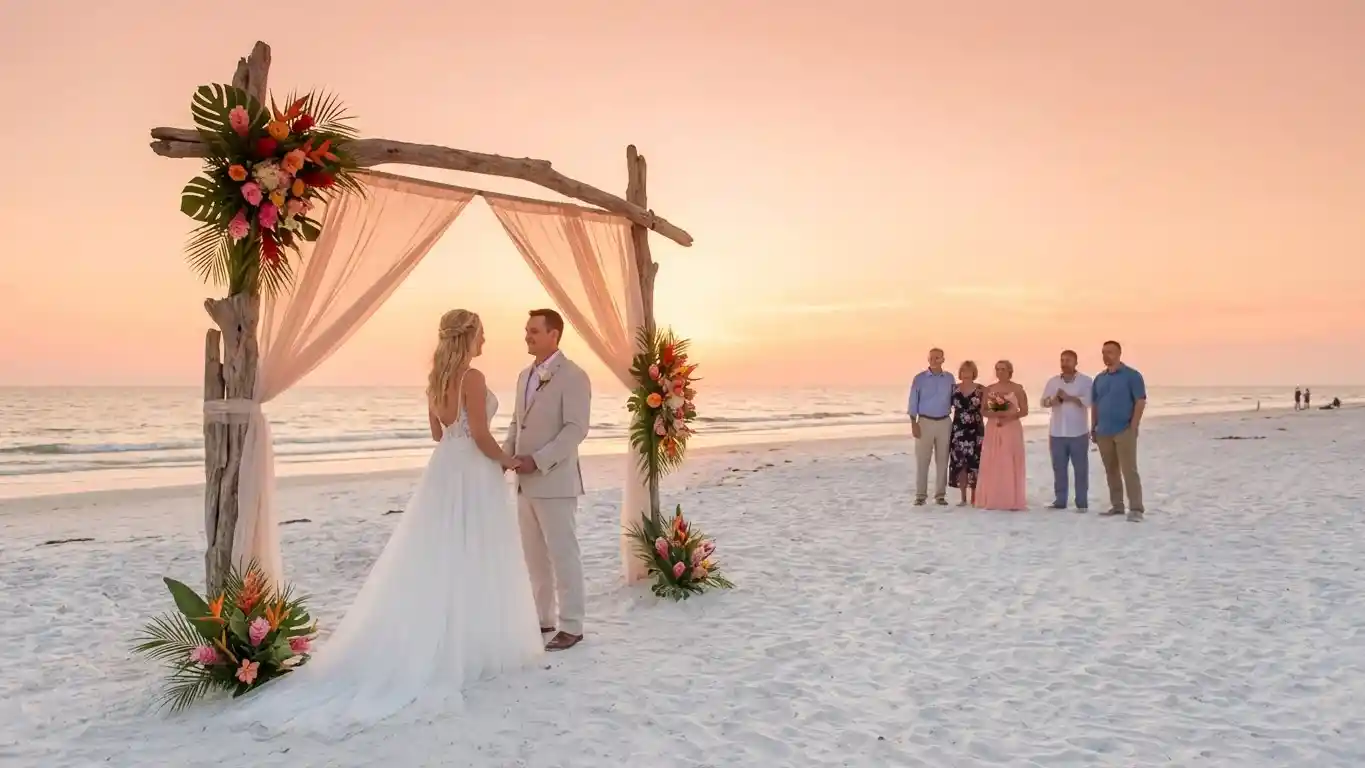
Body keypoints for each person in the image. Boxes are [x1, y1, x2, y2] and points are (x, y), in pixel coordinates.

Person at [229, 310, 543, 736]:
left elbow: (439, 433)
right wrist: (507, 460)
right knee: (476, 551)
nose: (486, 341)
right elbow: (483, 437)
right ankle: (468, 645)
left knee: (442, 553)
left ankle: (451, 638)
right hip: (472, 471)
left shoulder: (436, 378)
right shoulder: (472, 377)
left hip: (445, 469)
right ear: (470, 337)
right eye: (482, 334)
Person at [504, 308, 592, 652]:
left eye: (534, 331)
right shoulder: (523, 376)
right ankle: (543, 618)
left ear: (554, 335)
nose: (527, 336)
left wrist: (538, 461)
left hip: (554, 481)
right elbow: (517, 422)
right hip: (524, 483)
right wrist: (505, 456)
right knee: (534, 556)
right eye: (526, 330)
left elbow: (575, 430)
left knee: (563, 554)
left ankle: (572, 625)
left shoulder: (573, 376)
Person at [1091, 340, 1146, 522]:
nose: (1106, 356)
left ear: (1119, 353)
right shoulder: (1100, 378)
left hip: (1124, 429)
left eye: (1110, 352)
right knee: (1111, 470)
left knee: (1129, 470)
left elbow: (1140, 401)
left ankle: (1136, 508)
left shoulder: (1132, 376)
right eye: (1104, 352)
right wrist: (1094, 427)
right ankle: (1117, 506)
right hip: (1103, 430)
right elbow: (1095, 404)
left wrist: (1134, 425)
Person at [1041, 350, 1093, 511]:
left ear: (1075, 362)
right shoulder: (1053, 381)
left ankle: (1082, 503)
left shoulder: (1085, 381)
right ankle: (1060, 501)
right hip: (1057, 432)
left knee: (1080, 469)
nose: (1065, 363)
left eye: (1068, 360)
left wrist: (1068, 397)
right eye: (1062, 360)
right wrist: (1053, 400)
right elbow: (1044, 402)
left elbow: (1089, 402)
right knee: (1059, 468)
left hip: (1078, 432)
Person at [975, 360, 1029, 511]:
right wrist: (996, 413)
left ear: (1010, 371)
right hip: (994, 427)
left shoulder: (1017, 388)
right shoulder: (990, 389)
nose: (1000, 372)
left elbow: (1024, 410)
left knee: (1008, 460)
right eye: (997, 369)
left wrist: (1009, 416)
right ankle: (993, 497)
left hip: (1011, 427)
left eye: (1003, 369)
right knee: (993, 461)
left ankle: (1010, 499)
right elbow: (983, 411)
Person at [907, 347, 954, 506]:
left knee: (942, 460)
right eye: (932, 357)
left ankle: (940, 495)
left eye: (937, 358)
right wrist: (913, 423)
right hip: (924, 422)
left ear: (943, 359)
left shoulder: (949, 378)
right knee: (922, 460)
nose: (934, 360)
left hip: (944, 422)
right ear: (928, 359)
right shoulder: (919, 379)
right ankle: (920, 496)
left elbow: (955, 399)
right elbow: (913, 401)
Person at [948, 360, 986, 507]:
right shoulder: (954, 389)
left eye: (969, 371)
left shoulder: (981, 389)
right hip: (958, 430)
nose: (966, 374)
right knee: (960, 464)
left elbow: (993, 404)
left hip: (975, 430)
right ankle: (963, 498)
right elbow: (943, 404)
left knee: (974, 464)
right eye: (963, 371)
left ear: (974, 373)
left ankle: (974, 498)